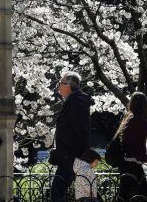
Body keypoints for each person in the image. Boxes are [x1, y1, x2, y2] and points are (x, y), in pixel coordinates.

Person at [50, 70, 93, 202]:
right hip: (72, 157)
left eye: (60, 83)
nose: (58, 87)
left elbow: (81, 131)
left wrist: (73, 156)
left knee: (57, 191)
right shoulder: (74, 101)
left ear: (68, 85)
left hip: (72, 158)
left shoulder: (76, 103)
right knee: (87, 192)